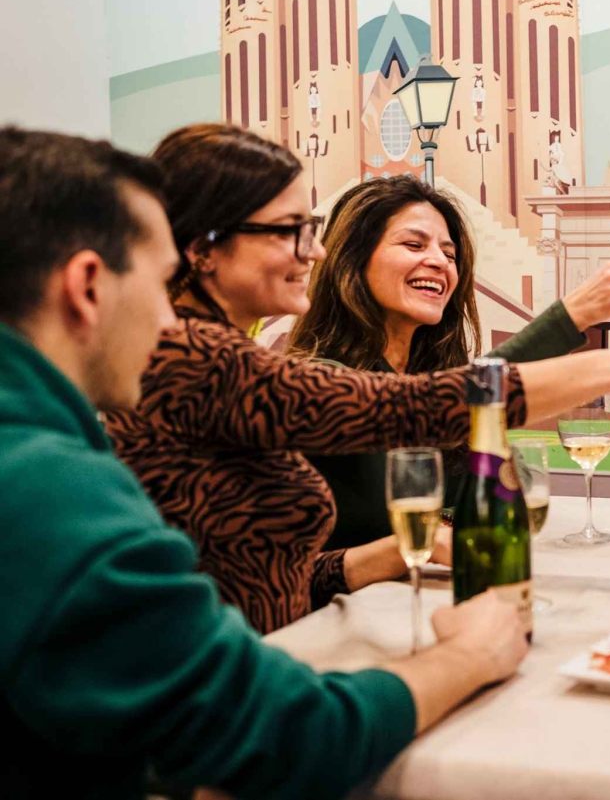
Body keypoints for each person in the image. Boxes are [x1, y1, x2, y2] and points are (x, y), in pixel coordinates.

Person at [0, 126, 527, 798]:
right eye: (161, 283)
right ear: (87, 286)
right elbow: (282, 738)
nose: (168, 320)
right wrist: (471, 655)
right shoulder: (49, 487)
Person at [105, 124, 610, 634]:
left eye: (449, 252)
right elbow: (416, 409)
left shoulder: (216, 357)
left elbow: (268, 579)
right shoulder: (195, 359)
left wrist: (388, 555)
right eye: (291, 231)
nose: (313, 252)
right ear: (203, 247)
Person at [286, 174, 610, 549]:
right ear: (352, 259)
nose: (439, 262)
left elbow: (509, 498)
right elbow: (425, 408)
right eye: (414, 245)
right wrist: (571, 321)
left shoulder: (432, 377)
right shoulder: (317, 381)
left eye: (449, 254)